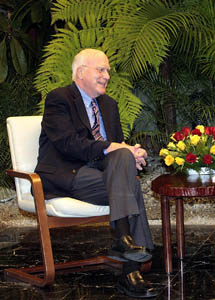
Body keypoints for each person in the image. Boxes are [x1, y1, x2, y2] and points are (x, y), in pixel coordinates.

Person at [35, 48, 157, 298]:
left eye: (108, 71)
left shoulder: (109, 105)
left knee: (124, 165)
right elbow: (69, 144)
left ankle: (124, 244)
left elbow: (116, 148)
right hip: (68, 173)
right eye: (100, 70)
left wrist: (131, 155)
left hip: (102, 175)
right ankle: (131, 264)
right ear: (80, 72)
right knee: (128, 184)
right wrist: (116, 149)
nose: (107, 76)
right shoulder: (59, 99)